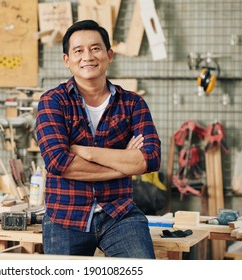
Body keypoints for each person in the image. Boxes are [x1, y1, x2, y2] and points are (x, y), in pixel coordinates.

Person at [35, 19, 161, 258]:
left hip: (120, 213)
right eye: (78, 51)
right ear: (67, 60)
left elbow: (151, 159)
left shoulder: (132, 103)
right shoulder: (53, 102)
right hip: (65, 214)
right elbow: (59, 162)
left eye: (95, 48)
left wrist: (87, 152)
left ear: (109, 55)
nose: (87, 57)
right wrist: (125, 164)